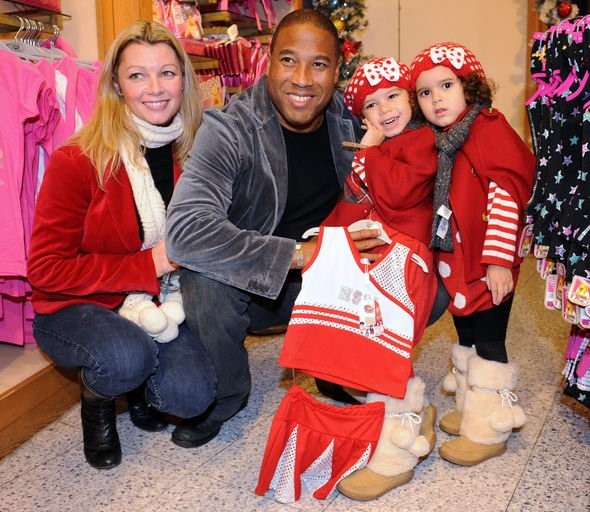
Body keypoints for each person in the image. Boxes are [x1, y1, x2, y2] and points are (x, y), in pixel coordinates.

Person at [165, 8, 383, 448]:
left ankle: (335, 368)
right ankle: (228, 394)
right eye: (288, 60)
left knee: (423, 279)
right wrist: (299, 255)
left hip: (331, 279)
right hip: (253, 286)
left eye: (318, 64)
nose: (302, 79)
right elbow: (185, 230)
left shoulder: (358, 119)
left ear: (337, 70)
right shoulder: (229, 128)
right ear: (268, 61)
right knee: (203, 281)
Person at [27, 21, 217, 470]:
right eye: (137, 75)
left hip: (160, 300)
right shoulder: (76, 160)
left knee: (191, 396)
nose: (155, 89)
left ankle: (140, 385)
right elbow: (46, 270)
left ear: (184, 80)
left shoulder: (194, 151)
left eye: (167, 73)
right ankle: (99, 405)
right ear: (116, 84)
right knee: (124, 356)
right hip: (76, 306)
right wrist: (147, 264)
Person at [407, 42, 535, 466]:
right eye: (425, 92)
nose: (436, 98)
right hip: (457, 261)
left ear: (470, 87)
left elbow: (506, 195)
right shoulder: (445, 139)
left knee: (489, 339)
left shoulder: (488, 129)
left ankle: (488, 424)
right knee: (464, 335)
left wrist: (499, 261)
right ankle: (469, 404)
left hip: (487, 261)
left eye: (446, 85)